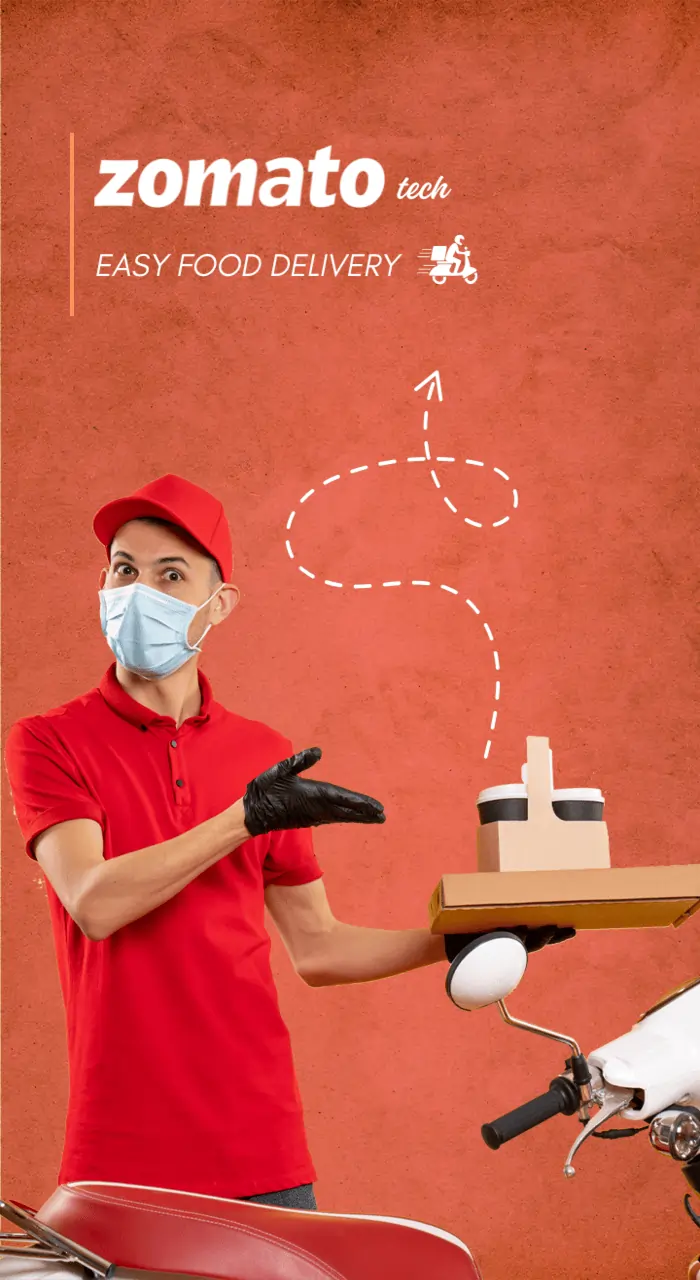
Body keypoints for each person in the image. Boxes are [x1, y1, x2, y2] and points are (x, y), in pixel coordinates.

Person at [4, 473, 571, 1211]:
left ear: (220, 605)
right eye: (124, 569)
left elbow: (320, 948)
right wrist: (247, 817)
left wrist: (462, 937)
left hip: (259, 1141)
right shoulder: (49, 741)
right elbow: (93, 901)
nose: (137, 591)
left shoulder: (261, 753)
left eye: (171, 574)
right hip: (120, 1150)